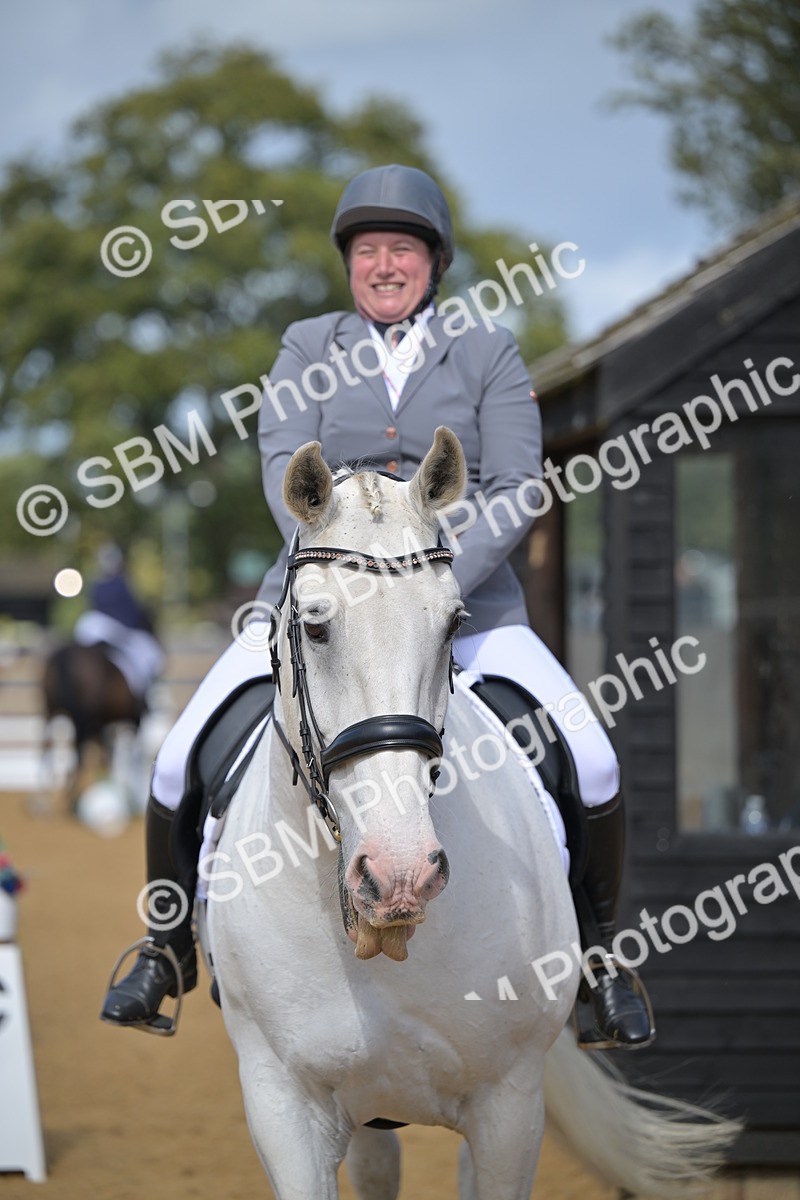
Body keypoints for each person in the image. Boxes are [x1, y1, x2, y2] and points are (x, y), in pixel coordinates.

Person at [101, 164, 653, 1050]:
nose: (384, 265)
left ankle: (596, 958)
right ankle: (167, 949)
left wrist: (432, 585)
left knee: (590, 757)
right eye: (368, 250)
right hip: (315, 606)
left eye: (402, 249)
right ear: (349, 263)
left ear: (434, 262)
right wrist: (353, 584)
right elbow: (291, 476)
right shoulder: (305, 347)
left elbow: (515, 484)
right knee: (175, 758)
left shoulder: (487, 352)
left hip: (468, 612)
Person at [74, 543, 164, 701]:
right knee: (151, 656)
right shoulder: (121, 584)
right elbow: (132, 612)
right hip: (116, 631)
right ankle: (148, 696)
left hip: (105, 630)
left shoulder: (96, 585)